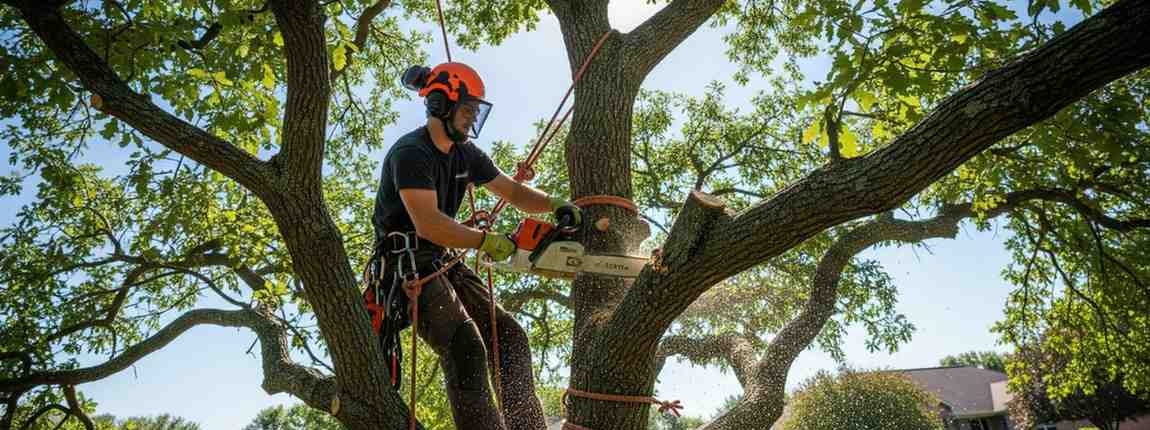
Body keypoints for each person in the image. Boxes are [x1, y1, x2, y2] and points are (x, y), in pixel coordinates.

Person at [367, 62, 581, 430]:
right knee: (465, 345)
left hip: (442, 259)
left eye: (475, 112)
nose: (471, 120)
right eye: (467, 110)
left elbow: (513, 191)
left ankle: (528, 426)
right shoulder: (411, 154)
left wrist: (555, 203)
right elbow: (429, 223)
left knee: (508, 337)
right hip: (407, 265)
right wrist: (485, 240)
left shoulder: (466, 154)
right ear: (439, 104)